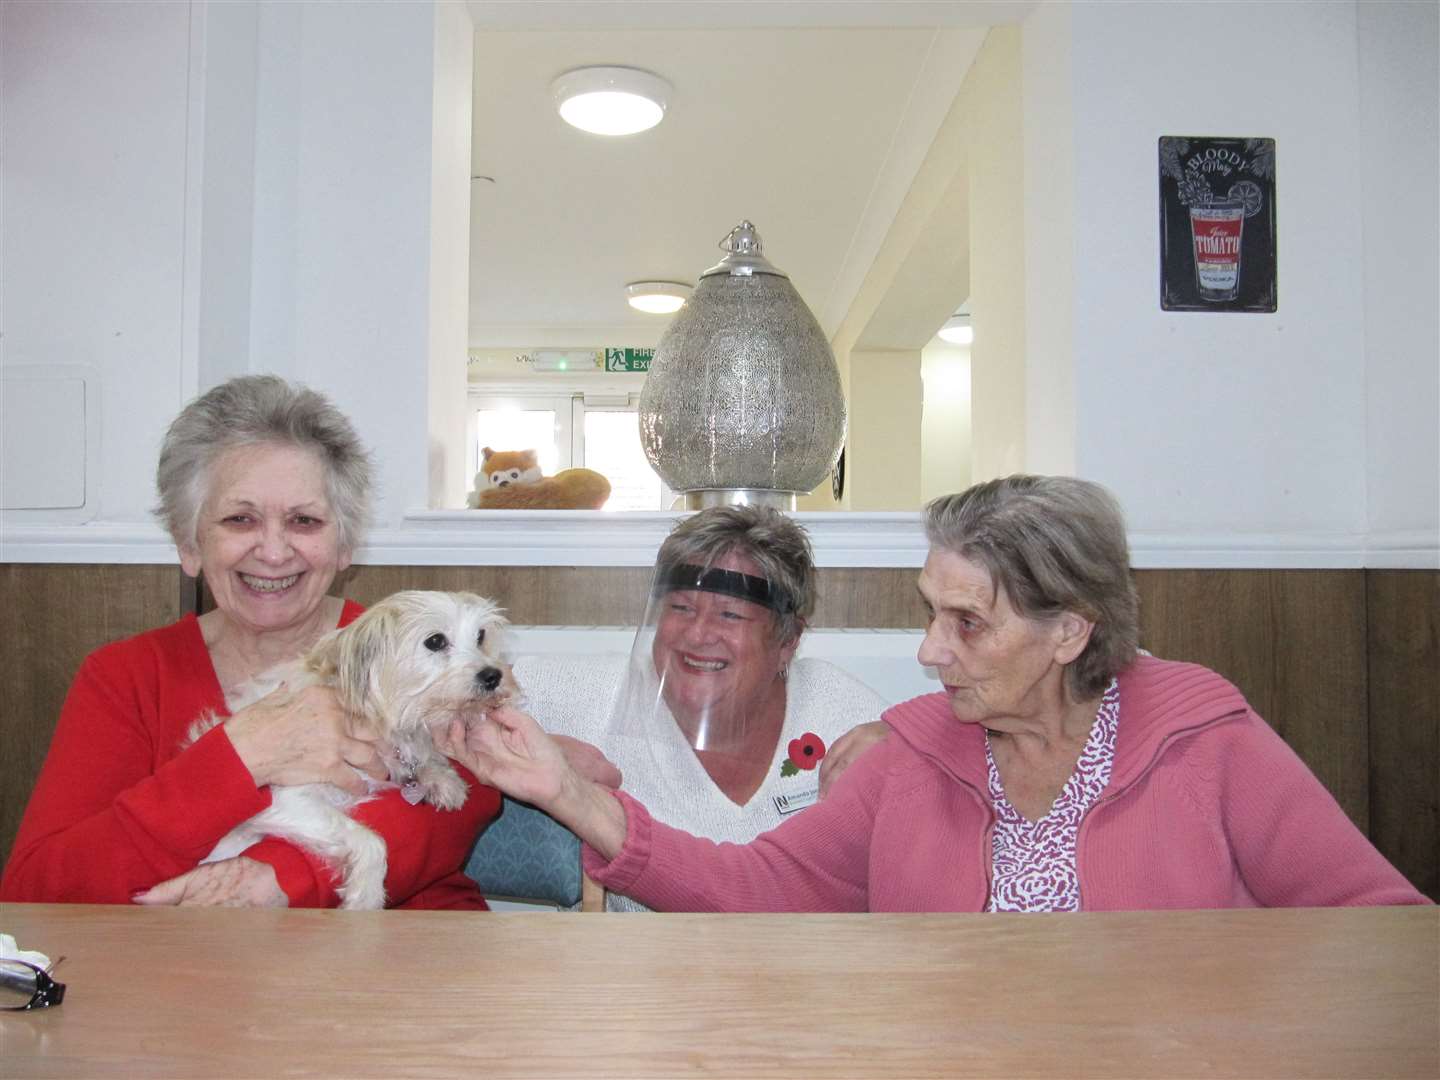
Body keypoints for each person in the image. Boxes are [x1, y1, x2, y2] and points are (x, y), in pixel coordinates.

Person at [444, 476, 1431, 911]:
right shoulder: (917, 751)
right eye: (929, 611)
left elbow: (1377, 926)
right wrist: (570, 796)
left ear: (1068, 632)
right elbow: (758, 887)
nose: (926, 652)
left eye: (968, 622)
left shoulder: (1202, 739)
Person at [1, 375, 501, 909]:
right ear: (190, 544)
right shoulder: (126, 677)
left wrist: (275, 878)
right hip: (203, 977)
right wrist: (242, 755)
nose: (273, 551)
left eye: (304, 521)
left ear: (344, 544)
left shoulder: (418, 653)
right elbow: (39, 890)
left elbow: (458, 808)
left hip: (404, 961)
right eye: (240, 519)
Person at [507, 505, 888, 910]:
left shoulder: (839, 711)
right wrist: (532, 744)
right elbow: (448, 697)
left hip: (804, 969)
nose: (698, 633)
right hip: (638, 970)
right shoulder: (592, 695)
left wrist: (906, 741)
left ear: (788, 640)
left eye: (730, 614)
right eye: (681, 608)